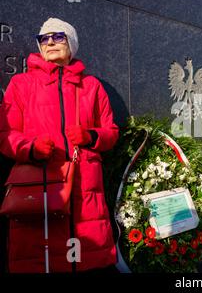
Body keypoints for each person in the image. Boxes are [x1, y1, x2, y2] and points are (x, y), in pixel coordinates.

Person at [0, 18, 119, 273]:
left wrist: (89, 136)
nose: (50, 42)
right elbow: (6, 134)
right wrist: (30, 148)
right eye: (44, 38)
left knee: (89, 264)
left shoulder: (92, 87)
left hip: (86, 195)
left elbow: (111, 132)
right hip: (40, 190)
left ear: (71, 44)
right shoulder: (21, 85)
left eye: (58, 37)